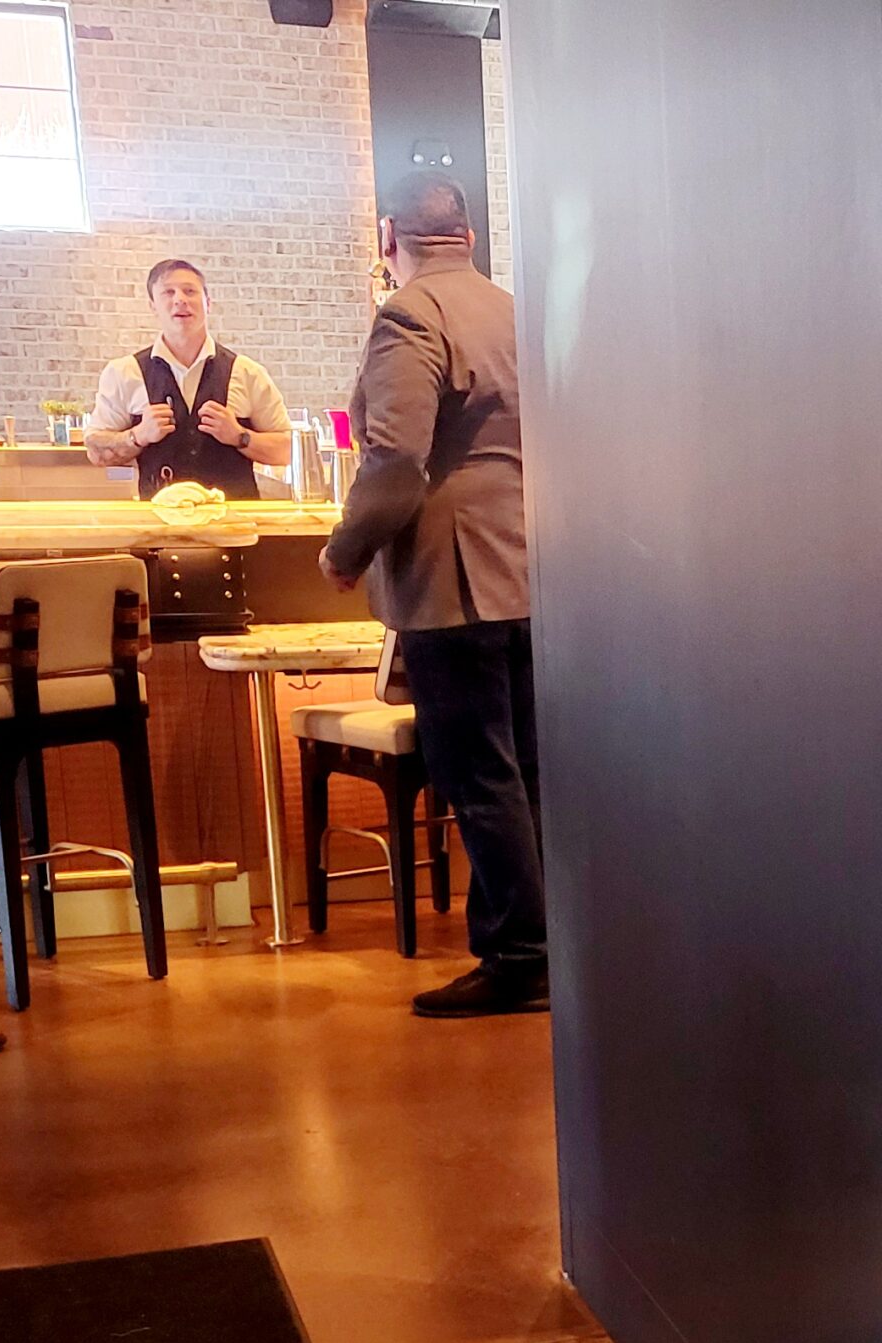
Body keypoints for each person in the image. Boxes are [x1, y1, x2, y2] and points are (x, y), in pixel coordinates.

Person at [320, 173, 544, 1018]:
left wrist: (349, 549)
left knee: (480, 774)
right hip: (533, 569)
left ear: (389, 238)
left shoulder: (411, 315)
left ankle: (520, 959)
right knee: (528, 771)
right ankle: (550, 949)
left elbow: (394, 460)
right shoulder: (516, 312)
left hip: (455, 581)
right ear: (470, 237)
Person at [84, 259, 293, 497]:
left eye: (190, 291)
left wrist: (240, 436)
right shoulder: (123, 373)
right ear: (153, 305)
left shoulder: (247, 373)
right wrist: (138, 435)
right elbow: (95, 451)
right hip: (159, 525)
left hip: (236, 526)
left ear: (208, 303)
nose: (180, 299)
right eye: (168, 292)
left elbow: (289, 451)